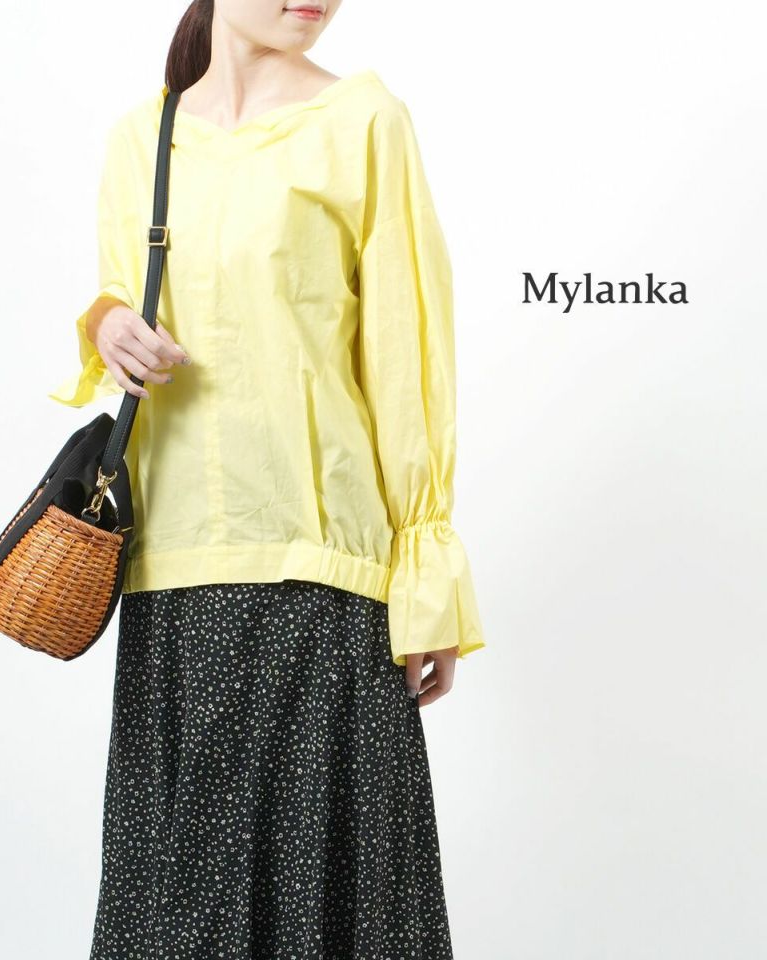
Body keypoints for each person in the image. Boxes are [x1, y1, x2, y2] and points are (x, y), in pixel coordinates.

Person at [47, 1, 486, 956]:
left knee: (333, 917)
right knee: (181, 920)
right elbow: (122, 299)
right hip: (173, 577)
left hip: (323, 573)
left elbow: (409, 358)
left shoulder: (365, 120)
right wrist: (106, 322)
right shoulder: (143, 138)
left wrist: (426, 575)